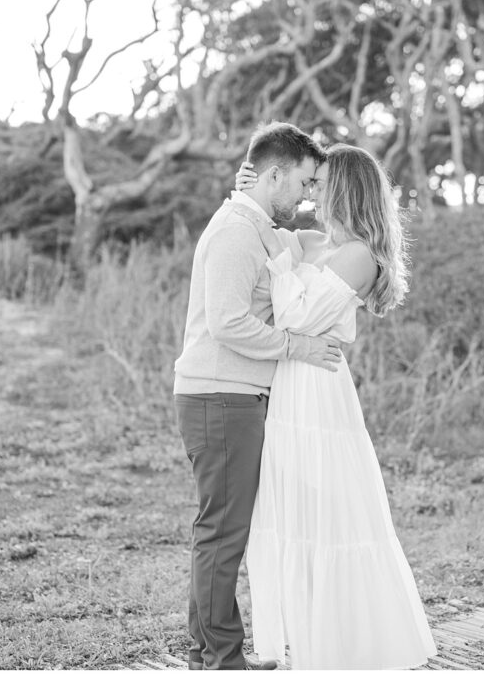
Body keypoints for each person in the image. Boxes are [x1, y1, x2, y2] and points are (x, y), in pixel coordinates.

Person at [235, 144, 438, 669]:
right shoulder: (318, 243)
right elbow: (267, 233)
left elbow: (296, 317)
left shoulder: (358, 255)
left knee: (327, 515)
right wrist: (248, 195)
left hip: (318, 390)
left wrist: (280, 264)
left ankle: (341, 645)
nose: (312, 191)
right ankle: (302, 638)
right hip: (290, 385)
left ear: (345, 188)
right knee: (290, 513)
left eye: (321, 182)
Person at [173, 122, 343, 670]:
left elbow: (300, 244)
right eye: (304, 181)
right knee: (223, 534)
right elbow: (227, 323)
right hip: (221, 399)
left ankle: (208, 652)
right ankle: (221, 658)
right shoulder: (235, 231)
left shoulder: (258, 224)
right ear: (274, 175)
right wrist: (298, 345)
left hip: (230, 398)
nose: (309, 195)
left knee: (219, 532)